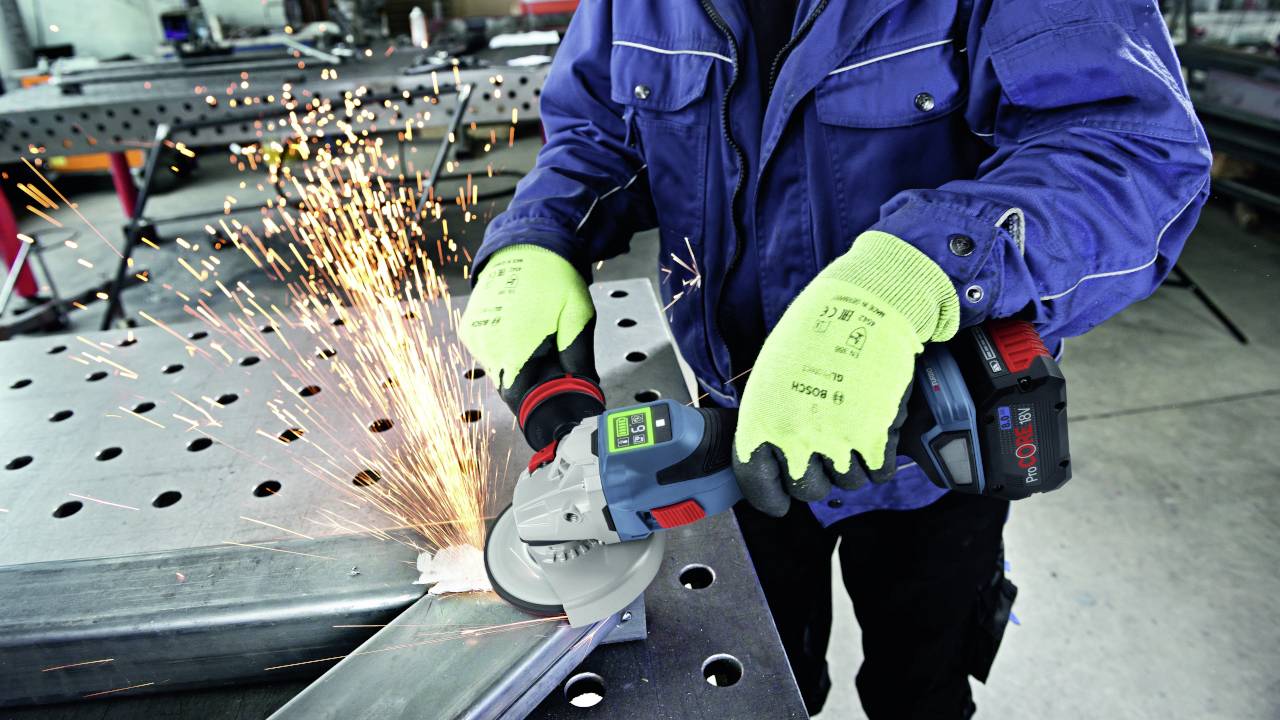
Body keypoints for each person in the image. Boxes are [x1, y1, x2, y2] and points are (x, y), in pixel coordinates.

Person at [459, 1, 1212, 717]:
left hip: (932, 454)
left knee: (919, 692)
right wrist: (537, 232)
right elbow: (600, 132)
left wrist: (907, 280)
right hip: (737, 428)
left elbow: (1130, 152)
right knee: (764, 684)